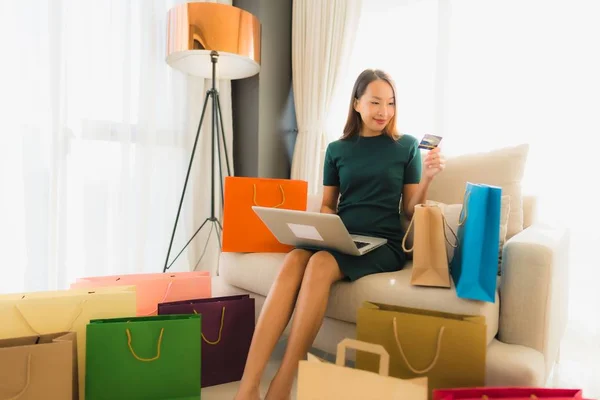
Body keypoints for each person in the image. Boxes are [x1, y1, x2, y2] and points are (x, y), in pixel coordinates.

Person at [234, 69, 446, 400]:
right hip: (342, 236)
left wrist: (429, 178)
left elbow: (409, 210)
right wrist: (324, 225)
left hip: (383, 243)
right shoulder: (336, 149)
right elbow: (329, 204)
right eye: (375, 102)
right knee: (294, 260)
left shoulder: (405, 147)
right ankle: (248, 386)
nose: (383, 111)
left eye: (390, 103)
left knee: (319, 264)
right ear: (357, 103)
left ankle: (282, 384)